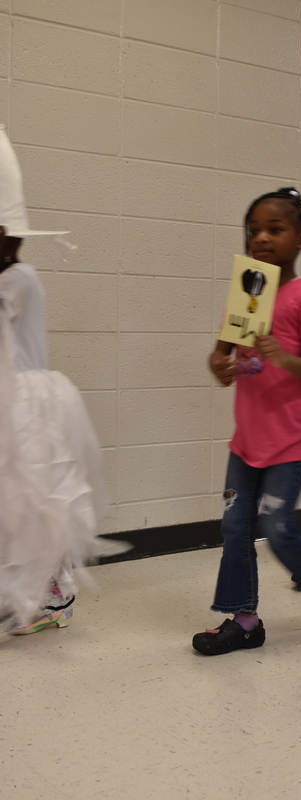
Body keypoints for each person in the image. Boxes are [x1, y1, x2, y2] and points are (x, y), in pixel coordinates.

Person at [192, 188, 301, 655]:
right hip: (245, 443)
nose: (262, 238)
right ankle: (244, 620)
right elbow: (220, 353)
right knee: (234, 528)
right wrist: (219, 367)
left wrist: (280, 356)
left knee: (280, 526)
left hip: (287, 443)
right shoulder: (249, 287)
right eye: (254, 230)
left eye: (275, 229)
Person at [0, 125, 105, 642]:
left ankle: (56, 594)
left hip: (28, 405)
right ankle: (21, 590)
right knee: (15, 503)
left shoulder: (19, 280)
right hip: (7, 399)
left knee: (39, 498)